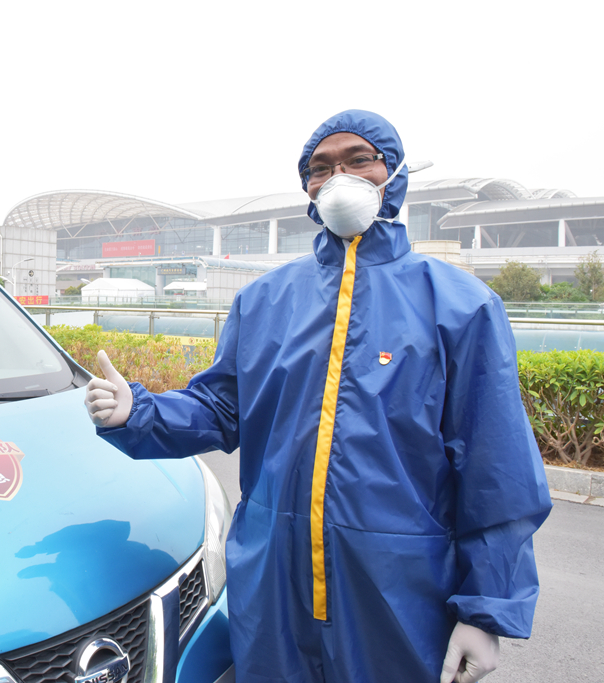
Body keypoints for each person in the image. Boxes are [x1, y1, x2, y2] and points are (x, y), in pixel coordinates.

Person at [84, 110, 552, 683]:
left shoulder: (459, 304)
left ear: (394, 173)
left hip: (400, 588)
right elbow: (223, 408)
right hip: (272, 584)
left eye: (359, 160)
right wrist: (139, 412)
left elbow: (495, 467)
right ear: (307, 187)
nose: (339, 178)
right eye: (321, 168)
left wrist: (485, 610)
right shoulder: (264, 301)